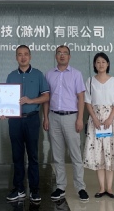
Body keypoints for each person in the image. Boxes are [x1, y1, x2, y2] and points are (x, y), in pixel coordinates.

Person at [43, 45, 90, 202]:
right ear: (55, 56)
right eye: (59, 53)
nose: (62, 55)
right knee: (57, 155)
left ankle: (80, 187)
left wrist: (80, 118)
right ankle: (60, 187)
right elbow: (46, 98)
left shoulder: (76, 74)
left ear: (69, 57)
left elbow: (81, 97)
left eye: (65, 53)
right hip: (54, 117)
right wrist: (46, 117)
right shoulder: (49, 74)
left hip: (71, 117)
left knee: (76, 155)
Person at [5, 45, 50, 203]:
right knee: (17, 156)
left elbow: (46, 96)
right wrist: (3, 111)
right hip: (14, 120)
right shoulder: (11, 76)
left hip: (32, 119)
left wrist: (31, 101)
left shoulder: (38, 74)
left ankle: (34, 190)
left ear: (30, 56)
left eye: (25, 54)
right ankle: (19, 189)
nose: (23, 57)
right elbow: (6, 99)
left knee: (33, 156)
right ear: (16, 57)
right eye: (19, 54)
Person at [83, 52, 114, 198]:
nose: (101, 64)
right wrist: (94, 118)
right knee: (98, 153)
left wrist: (110, 118)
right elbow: (87, 102)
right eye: (98, 62)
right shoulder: (90, 81)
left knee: (110, 152)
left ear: (108, 64)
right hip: (95, 121)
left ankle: (110, 188)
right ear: (94, 64)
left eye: (103, 62)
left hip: (110, 121)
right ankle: (101, 187)